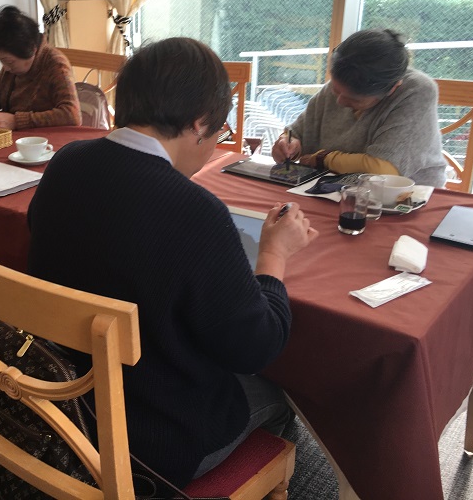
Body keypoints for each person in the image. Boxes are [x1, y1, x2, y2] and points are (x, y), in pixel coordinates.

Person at [27, 37, 318, 488]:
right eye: (219, 132)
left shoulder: (65, 163)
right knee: (277, 394)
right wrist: (274, 255)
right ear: (199, 122)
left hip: (61, 398)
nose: (215, 145)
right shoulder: (195, 211)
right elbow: (256, 347)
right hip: (151, 440)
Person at [272, 28, 447, 187]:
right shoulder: (345, 79)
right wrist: (288, 144)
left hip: (402, 198)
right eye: (335, 89)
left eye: (353, 99)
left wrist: (323, 158)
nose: (339, 101)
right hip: (331, 188)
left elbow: (383, 170)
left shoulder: (416, 91)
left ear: (392, 89)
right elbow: (297, 134)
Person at [0, 5, 81, 130]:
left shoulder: (55, 64)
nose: (5, 68)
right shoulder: (13, 66)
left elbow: (71, 115)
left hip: (42, 138)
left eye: (9, 62)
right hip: (16, 135)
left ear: (32, 50)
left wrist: (17, 121)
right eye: (1, 61)